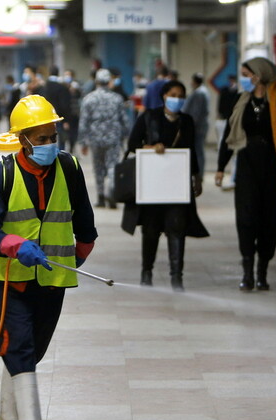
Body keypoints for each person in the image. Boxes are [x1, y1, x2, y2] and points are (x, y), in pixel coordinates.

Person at [0, 95, 97, 420]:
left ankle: (8, 414)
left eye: (52, 137)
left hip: (54, 278)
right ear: (23, 139)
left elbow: (84, 221)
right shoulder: (3, 174)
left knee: (33, 347)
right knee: (20, 344)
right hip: (11, 277)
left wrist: (79, 255)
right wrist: (15, 245)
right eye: (41, 139)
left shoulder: (69, 168)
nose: (49, 145)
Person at [215, 57, 276, 291]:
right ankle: (247, 271)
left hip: (273, 166)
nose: (243, 78)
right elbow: (229, 136)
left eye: (246, 74)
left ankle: (262, 271)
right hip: (247, 166)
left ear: (259, 75)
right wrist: (221, 167)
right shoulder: (240, 101)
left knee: (269, 220)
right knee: (246, 218)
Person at [123, 80, 208, 291]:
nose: (177, 99)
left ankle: (177, 276)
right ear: (164, 96)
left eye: (181, 95)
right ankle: (146, 273)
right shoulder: (149, 117)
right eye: (173, 94)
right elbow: (132, 144)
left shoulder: (187, 121)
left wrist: (197, 177)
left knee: (177, 228)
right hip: (152, 186)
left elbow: (192, 150)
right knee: (151, 231)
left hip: (178, 186)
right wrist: (150, 147)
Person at [78, 69, 130, 209]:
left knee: (98, 167)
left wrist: (83, 142)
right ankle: (112, 193)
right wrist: (127, 137)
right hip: (113, 138)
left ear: (96, 81)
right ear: (109, 82)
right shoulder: (117, 98)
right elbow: (124, 120)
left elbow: (84, 122)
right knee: (112, 166)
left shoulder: (88, 99)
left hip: (95, 138)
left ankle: (101, 197)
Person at [184, 72, 211, 173]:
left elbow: (196, 112)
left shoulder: (199, 93)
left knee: (198, 150)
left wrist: (189, 125)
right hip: (200, 126)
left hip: (198, 127)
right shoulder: (203, 91)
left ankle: (199, 172)